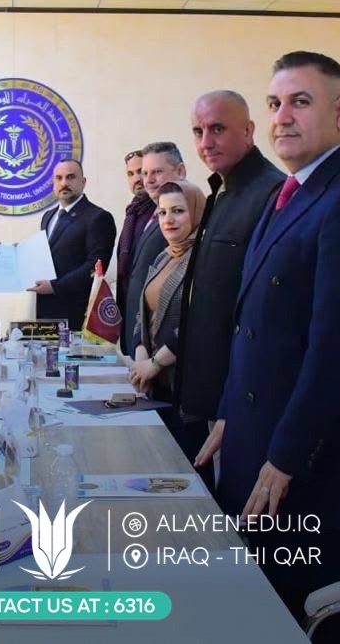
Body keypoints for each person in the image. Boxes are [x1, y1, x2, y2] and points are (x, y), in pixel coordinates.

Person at [196, 52, 340, 644]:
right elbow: (254, 323)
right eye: (274, 103)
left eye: (301, 101)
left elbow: (337, 352)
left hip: (313, 465)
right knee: (262, 603)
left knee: (311, 611)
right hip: (260, 435)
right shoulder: (290, 193)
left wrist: (286, 457)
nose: (282, 117)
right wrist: (228, 412)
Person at [176, 91, 285, 465]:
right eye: (198, 131)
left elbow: (266, 316)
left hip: (240, 401)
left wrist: (234, 402)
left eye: (218, 129)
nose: (206, 142)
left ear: (249, 131)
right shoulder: (222, 191)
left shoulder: (270, 193)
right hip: (208, 392)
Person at [128, 180, 208, 478]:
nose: (168, 219)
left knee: (188, 471)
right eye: (162, 212)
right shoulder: (165, 255)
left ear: (197, 212)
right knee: (157, 467)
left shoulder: (205, 259)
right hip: (154, 381)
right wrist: (140, 354)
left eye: (178, 211)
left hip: (183, 384)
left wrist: (156, 362)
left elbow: (198, 320)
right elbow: (143, 312)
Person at [30, 159, 117, 330]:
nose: (64, 183)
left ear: (83, 182)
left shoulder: (98, 217)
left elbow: (95, 267)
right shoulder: (48, 217)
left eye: (70, 177)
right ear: (53, 183)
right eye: (59, 178)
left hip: (77, 314)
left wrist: (55, 287)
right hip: (45, 313)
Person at [123, 142, 188, 364]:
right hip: (143, 342)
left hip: (170, 353)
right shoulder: (147, 217)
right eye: (145, 173)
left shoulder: (190, 222)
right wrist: (140, 344)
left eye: (157, 172)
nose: (147, 180)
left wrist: (156, 362)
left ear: (180, 171)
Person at [115, 149, 153, 353]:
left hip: (150, 319)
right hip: (129, 312)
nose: (137, 178)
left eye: (141, 171)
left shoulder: (160, 212)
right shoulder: (132, 212)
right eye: (131, 174)